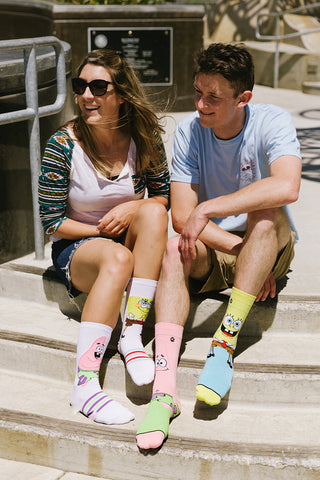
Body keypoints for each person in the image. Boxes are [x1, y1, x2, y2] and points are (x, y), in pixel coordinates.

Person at [136, 42, 301, 449]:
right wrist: (239, 250)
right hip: (223, 248)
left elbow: (287, 186)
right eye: (197, 92)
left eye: (214, 97)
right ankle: (164, 388)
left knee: (266, 213)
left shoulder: (271, 122)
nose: (201, 105)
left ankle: (223, 345)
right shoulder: (191, 131)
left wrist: (209, 208)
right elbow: (182, 218)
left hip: (269, 241)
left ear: (243, 98)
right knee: (175, 248)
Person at [38, 49, 170, 425]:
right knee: (117, 258)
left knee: (154, 211)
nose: (86, 96)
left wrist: (132, 209)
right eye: (80, 86)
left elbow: (162, 194)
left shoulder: (142, 139)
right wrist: (100, 230)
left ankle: (131, 333)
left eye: (98, 86)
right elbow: (51, 221)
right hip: (77, 249)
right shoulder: (63, 145)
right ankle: (84, 385)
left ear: (122, 94)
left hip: (126, 240)